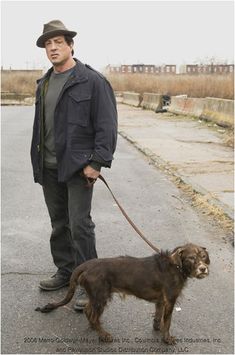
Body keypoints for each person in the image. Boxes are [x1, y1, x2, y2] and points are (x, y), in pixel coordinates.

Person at [31, 20, 117, 310]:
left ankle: (90, 283)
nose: (52, 48)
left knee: (80, 224)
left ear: (70, 45)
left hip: (79, 167)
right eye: (47, 44)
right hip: (50, 166)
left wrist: (98, 162)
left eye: (58, 42)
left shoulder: (92, 80)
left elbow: (106, 125)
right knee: (59, 224)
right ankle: (66, 271)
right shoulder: (43, 84)